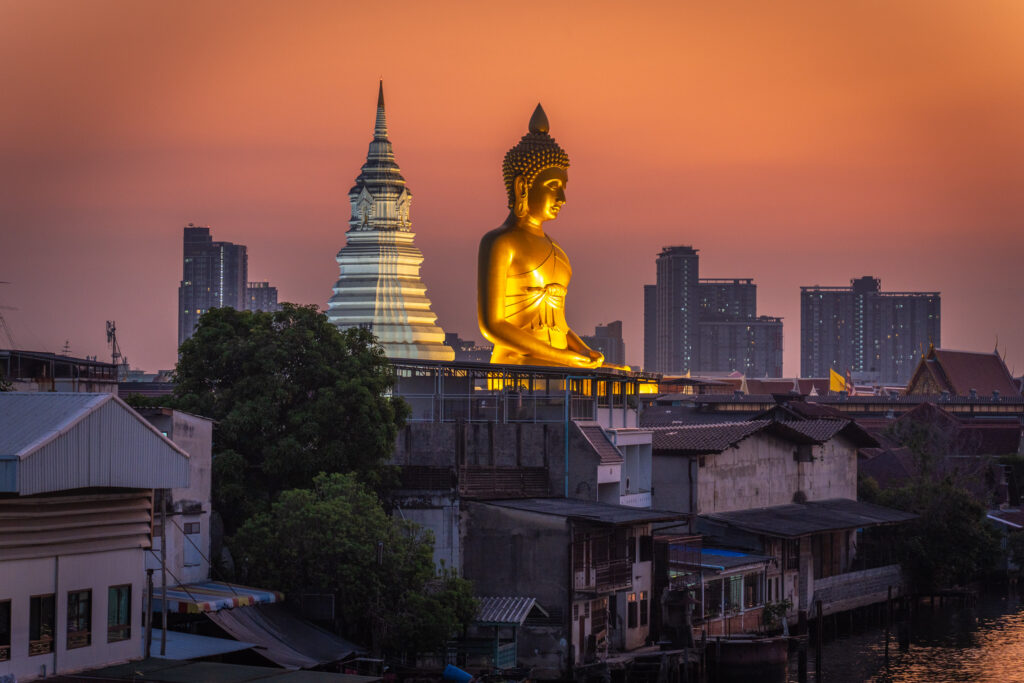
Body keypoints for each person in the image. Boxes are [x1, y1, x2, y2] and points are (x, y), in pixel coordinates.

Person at [477, 104, 605, 368]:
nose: (562, 199)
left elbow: (559, 325)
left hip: (559, 363)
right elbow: (492, 326)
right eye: (553, 187)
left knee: (624, 378)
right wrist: (562, 357)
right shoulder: (501, 242)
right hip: (519, 364)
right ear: (523, 186)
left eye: (564, 188)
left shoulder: (558, 250)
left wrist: (583, 351)